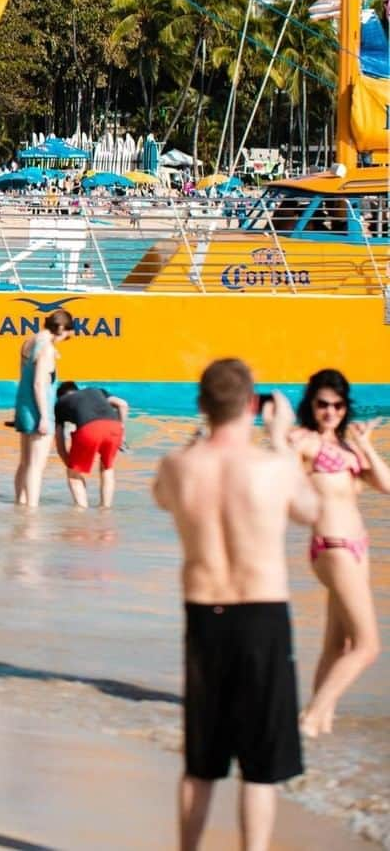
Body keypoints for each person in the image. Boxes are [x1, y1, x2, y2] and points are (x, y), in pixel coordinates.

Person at [153, 359, 321, 851]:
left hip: (205, 616)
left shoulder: (177, 466)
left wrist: (195, 441)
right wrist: (283, 440)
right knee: (260, 767)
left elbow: (164, 499)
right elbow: (311, 512)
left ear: (203, 406)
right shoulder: (272, 468)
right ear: (252, 405)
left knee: (201, 762)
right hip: (262, 615)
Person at [288, 368, 388, 737]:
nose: (331, 412)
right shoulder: (304, 441)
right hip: (332, 547)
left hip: (358, 549)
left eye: (338, 405)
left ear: (346, 408)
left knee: (338, 643)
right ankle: (310, 718)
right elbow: (283, 473)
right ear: (311, 405)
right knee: (368, 646)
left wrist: (366, 447)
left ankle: (321, 724)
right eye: (323, 404)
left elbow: (387, 485)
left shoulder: (348, 448)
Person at [13, 308, 74, 507]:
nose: (63, 342)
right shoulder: (46, 348)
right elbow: (39, 383)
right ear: (62, 328)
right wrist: (45, 417)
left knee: (24, 462)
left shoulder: (29, 342)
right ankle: (31, 511)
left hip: (23, 406)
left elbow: (28, 372)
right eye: (65, 337)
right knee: (36, 467)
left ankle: (20, 504)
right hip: (39, 409)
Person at [53, 380, 128, 508]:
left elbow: (59, 441)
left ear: (61, 396)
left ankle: (81, 512)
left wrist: (70, 464)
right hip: (114, 428)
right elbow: (122, 404)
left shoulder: (60, 403)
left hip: (89, 430)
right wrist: (122, 432)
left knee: (73, 475)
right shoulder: (96, 391)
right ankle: (105, 508)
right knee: (107, 468)